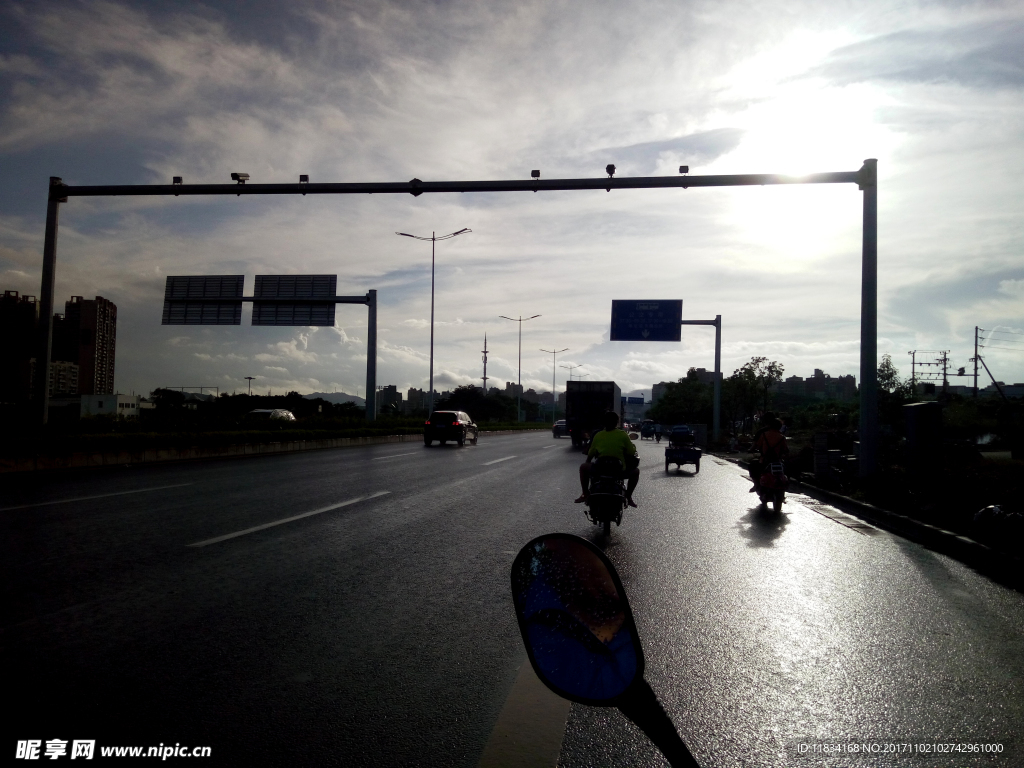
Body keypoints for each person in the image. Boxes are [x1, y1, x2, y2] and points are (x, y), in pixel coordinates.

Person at [576, 411, 640, 507]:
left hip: (600, 469)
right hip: (618, 471)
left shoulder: (598, 435)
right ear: (617, 422)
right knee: (635, 472)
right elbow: (631, 452)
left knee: (583, 467)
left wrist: (588, 462)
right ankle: (628, 496)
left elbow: (591, 453)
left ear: (603, 423)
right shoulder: (623, 435)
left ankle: (585, 493)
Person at [749, 417, 789, 491]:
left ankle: (756, 485)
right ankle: (785, 488)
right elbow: (786, 450)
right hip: (778, 462)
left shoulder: (764, 435)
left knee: (752, 466)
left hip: (764, 461)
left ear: (769, 426)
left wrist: (751, 450)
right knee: (787, 470)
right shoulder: (782, 437)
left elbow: (756, 445)